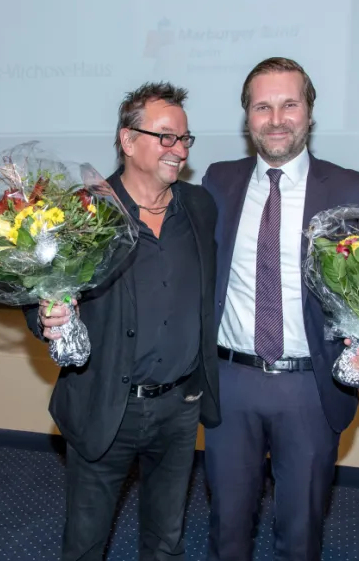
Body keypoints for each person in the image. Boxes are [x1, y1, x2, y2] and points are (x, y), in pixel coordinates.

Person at [200, 57, 359, 561]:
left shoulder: (351, 189)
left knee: (301, 531)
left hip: (309, 386)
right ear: (247, 116)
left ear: (309, 112)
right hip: (230, 382)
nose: (276, 119)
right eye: (262, 107)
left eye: (289, 104)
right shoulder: (218, 181)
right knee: (226, 527)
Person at [24, 81, 221, 561]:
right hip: (106, 404)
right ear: (128, 141)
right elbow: (37, 294)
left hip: (179, 406)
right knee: (86, 543)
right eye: (166, 137)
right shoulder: (83, 211)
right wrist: (48, 317)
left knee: (166, 541)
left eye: (185, 139)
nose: (180, 150)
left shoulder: (199, 206)